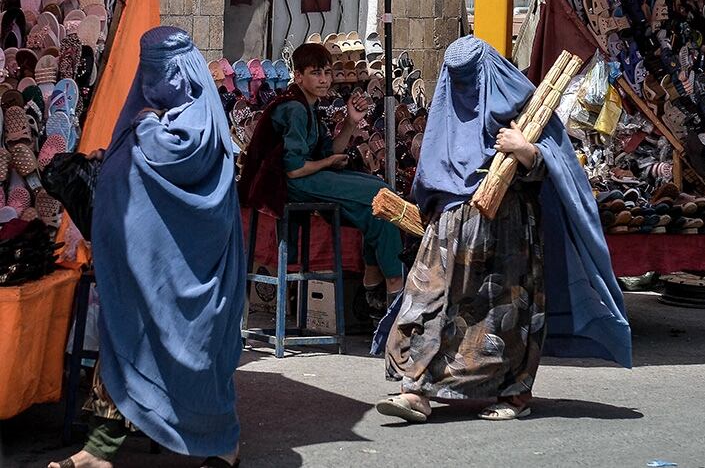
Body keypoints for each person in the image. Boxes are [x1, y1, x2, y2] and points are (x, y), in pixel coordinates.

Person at [376, 36, 631, 422]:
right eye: (457, 80)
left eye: (471, 78)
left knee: (502, 318)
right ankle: (415, 390)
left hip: (508, 233)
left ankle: (513, 394)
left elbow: (560, 167)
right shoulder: (448, 109)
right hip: (448, 234)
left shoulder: (524, 104)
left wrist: (525, 150)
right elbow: (431, 170)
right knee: (427, 303)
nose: (466, 90)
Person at [50, 27, 244, 468]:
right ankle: (99, 450)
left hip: (197, 271)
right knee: (125, 342)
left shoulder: (194, 121)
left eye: (161, 69)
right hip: (144, 268)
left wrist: (150, 129)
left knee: (199, 355)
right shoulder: (143, 119)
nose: (153, 80)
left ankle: (222, 445)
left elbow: (182, 160)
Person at [239, 43, 404, 317]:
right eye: (316, 73)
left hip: (306, 178)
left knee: (376, 209)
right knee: (379, 192)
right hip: (288, 185)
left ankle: (376, 282)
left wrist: (351, 122)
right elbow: (295, 169)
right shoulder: (294, 108)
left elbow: (331, 150)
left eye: (327, 72)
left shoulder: (309, 106)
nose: (325, 79)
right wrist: (329, 163)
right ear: (298, 75)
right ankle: (388, 283)